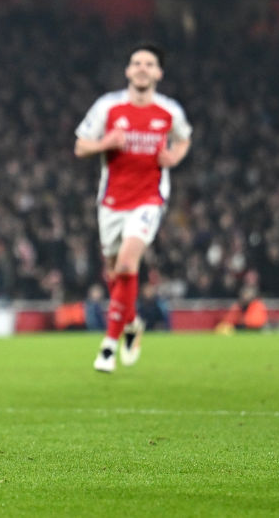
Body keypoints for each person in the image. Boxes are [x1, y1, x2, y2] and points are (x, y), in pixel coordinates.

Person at [74, 42, 192, 373]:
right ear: (127, 70)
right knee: (114, 273)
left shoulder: (169, 111)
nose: (142, 68)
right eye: (136, 62)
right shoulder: (108, 107)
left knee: (127, 263)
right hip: (111, 202)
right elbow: (81, 146)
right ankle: (130, 324)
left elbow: (184, 138)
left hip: (149, 199)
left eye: (149, 63)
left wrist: (175, 156)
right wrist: (104, 144)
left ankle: (108, 348)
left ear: (158, 73)